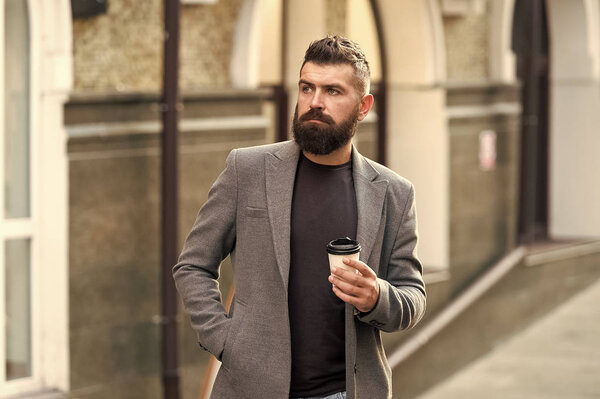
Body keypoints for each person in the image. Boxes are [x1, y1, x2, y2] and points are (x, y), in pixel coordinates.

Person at [173, 36, 426, 399]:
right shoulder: (247, 169)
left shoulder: (393, 192)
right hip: (251, 388)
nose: (315, 102)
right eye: (307, 88)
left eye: (333, 91)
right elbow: (193, 266)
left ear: (363, 106)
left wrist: (376, 297)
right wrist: (226, 342)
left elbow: (413, 296)